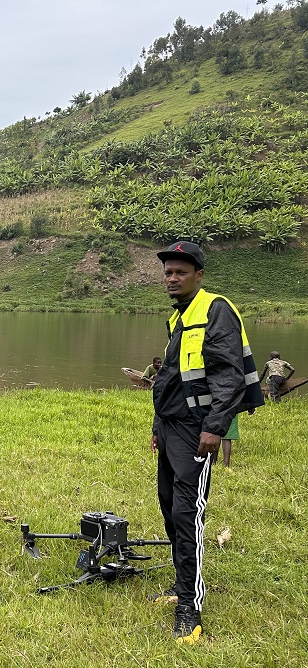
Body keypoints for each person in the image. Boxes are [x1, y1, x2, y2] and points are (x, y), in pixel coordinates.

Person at [149, 241, 264, 644]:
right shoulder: (177, 318)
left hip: (197, 431)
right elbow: (170, 377)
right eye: (167, 272)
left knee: (187, 513)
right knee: (169, 505)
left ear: (199, 274)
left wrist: (215, 427)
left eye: (180, 272)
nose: (172, 278)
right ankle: (180, 584)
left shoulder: (216, 310)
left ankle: (190, 608)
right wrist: (155, 426)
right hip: (171, 427)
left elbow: (228, 376)